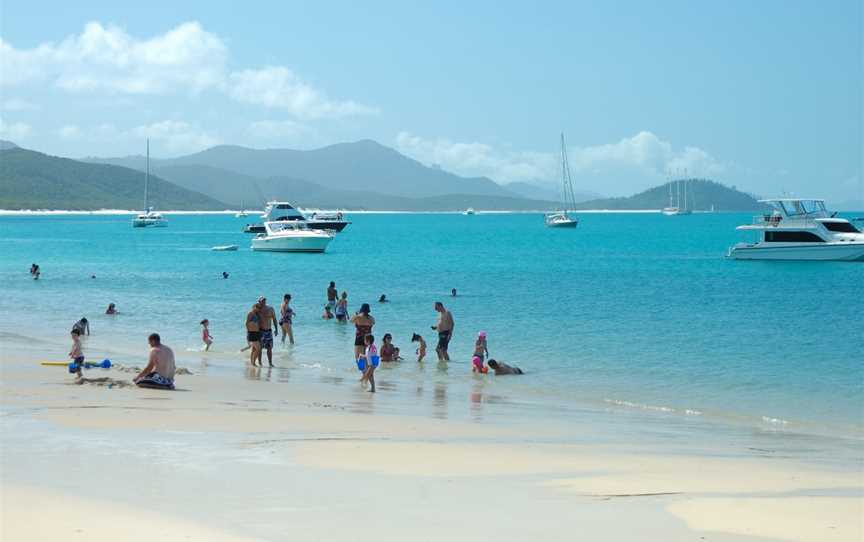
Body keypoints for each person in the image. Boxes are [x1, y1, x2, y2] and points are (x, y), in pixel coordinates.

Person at [256, 297, 279, 367]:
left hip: (269, 331)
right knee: (259, 348)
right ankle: (259, 362)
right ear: (259, 302)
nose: (263, 302)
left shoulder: (270, 309)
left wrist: (276, 329)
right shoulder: (257, 310)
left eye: (264, 301)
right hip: (260, 331)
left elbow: (274, 319)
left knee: (269, 348)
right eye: (262, 301)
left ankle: (270, 363)